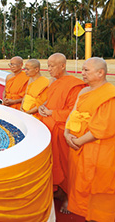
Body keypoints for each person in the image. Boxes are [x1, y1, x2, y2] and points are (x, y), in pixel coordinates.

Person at [64, 57, 115, 221]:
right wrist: (67, 133)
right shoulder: (83, 92)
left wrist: (78, 142)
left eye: (86, 70)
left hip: (101, 151)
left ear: (100, 73)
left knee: (101, 188)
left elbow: (101, 129)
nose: (83, 73)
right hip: (79, 148)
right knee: (82, 185)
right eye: (83, 70)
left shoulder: (111, 96)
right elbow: (73, 114)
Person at [38, 53, 86, 214]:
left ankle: (68, 196)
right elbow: (48, 101)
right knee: (51, 163)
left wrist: (51, 112)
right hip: (48, 128)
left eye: (52, 66)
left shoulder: (75, 86)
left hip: (62, 131)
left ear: (63, 66)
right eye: (48, 65)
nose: (48, 69)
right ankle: (56, 190)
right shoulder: (54, 83)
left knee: (65, 165)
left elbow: (74, 112)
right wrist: (42, 107)